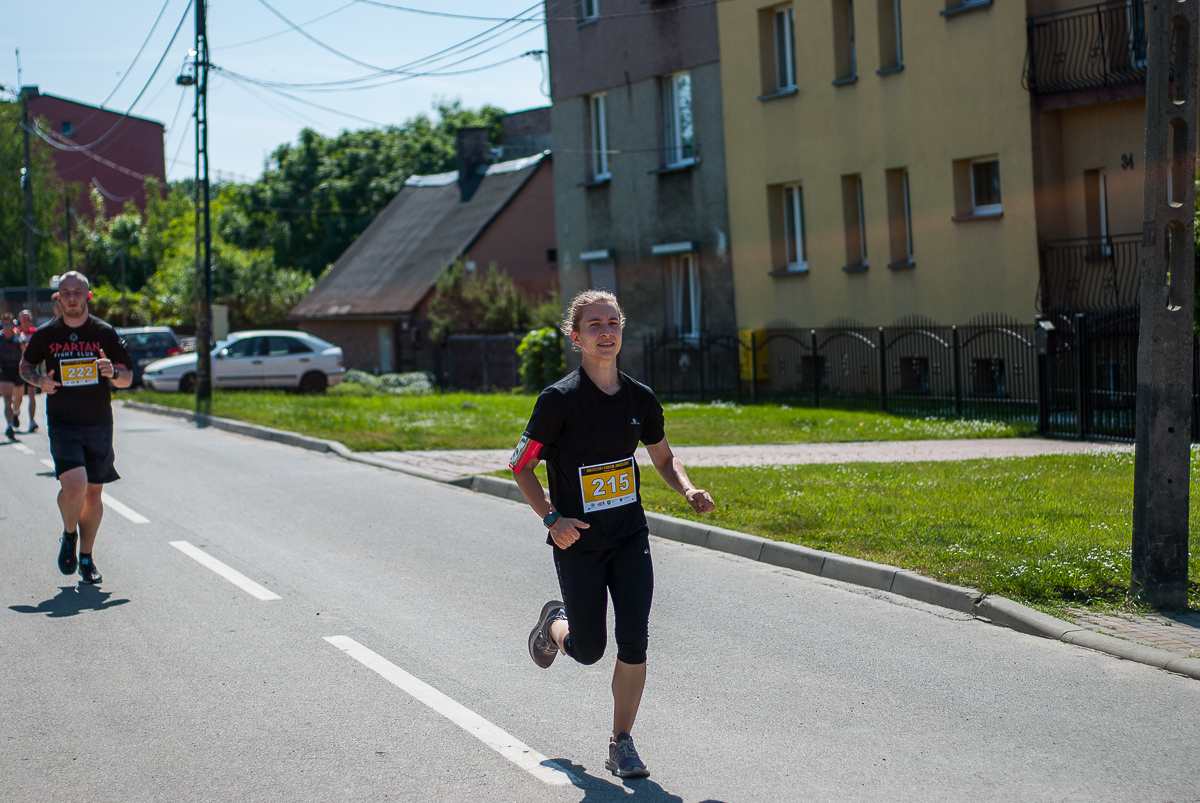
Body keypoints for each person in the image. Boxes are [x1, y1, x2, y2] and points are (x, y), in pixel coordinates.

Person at [510, 289, 715, 779]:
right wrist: (550, 518)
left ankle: (621, 742)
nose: (606, 332)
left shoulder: (639, 399)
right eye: (594, 325)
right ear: (576, 337)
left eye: (613, 323)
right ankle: (553, 625)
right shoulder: (558, 401)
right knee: (588, 650)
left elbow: (663, 457)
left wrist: (686, 488)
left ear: (622, 330)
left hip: (628, 538)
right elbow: (520, 466)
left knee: (635, 640)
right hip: (577, 541)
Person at [20, 272, 133, 585]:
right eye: (65, 292)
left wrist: (113, 372)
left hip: (98, 421)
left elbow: (127, 377)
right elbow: (25, 368)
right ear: (58, 298)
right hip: (63, 421)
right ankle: (69, 535)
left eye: (77, 292)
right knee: (74, 486)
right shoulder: (45, 335)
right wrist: (39, 381)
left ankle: (86, 557)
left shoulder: (105, 333)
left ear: (88, 296)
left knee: (93, 496)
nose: (71, 297)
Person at [1, 318, 24, 439]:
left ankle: (16, 412)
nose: (7, 327)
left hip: (18, 369)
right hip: (5, 370)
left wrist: (20, 339)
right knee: (8, 399)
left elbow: (26, 351)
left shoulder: (19, 337)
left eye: (9, 324)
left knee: (18, 399)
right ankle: (10, 426)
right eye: (4, 324)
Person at [18, 309, 40, 432]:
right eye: (24, 319)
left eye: (29, 319)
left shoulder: (35, 332)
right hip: (18, 366)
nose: (27, 322)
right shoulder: (15, 332)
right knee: (19, 396)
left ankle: (32, 421)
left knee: (32, 394)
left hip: (32, 366)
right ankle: (15, 412)